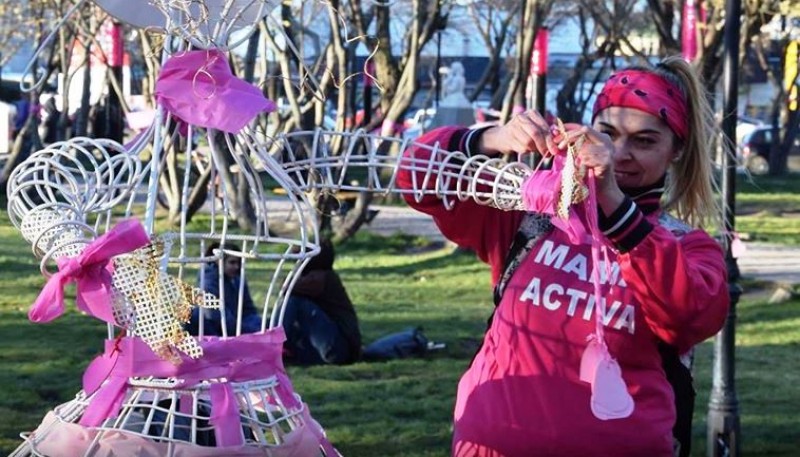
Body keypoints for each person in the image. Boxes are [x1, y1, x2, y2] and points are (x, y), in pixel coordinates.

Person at [396, 56, 729, 456]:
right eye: (607, 133)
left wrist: (611, 202)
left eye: (644, 141)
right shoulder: (530, 214)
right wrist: (489, 139)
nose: (618, 153)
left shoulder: (687, 246)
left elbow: (686, 316)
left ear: (675, 150)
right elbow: (413, 178)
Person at [281, 239, 362, 365]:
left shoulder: (320, 278)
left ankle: (275, 343)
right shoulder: (324, 276)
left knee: (295, 303)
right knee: (292, 308)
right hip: (334, 348)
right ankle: (282, 347)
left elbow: (287, 288)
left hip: (337, 348)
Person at [187, 243, 262, 336]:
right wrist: (241, 330)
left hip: (235, 325)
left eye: (238, 263)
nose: (236, 267)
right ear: (219, 262)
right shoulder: (209, 279)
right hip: (213, 329)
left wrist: (256, 327)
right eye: (232, 262)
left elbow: (248, 307)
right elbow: (212, 312)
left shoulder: (237, 278)